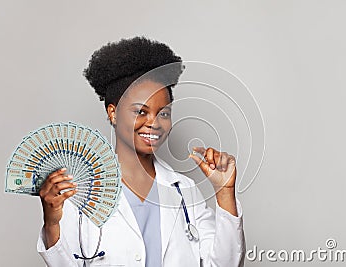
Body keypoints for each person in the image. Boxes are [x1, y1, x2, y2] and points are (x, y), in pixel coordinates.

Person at [37, 36, 245, 266]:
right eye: (141, 111)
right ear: (113, 113)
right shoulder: (78, 194)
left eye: (163, 113)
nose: (154, 123)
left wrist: (225, 192)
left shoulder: (185, 191)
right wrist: (52, 224)